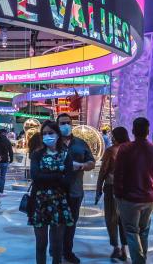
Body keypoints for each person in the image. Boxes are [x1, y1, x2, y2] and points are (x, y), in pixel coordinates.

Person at [114, 117, 153, 264]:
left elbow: (118, 174)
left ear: (133, 130)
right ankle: (141, 259)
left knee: (131, 232)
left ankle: (139, 261)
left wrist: (118, 194)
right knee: (143, 231)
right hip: (149, 198)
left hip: (129, 198)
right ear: (148, 131)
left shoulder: (125, 149)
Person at [28, 120, 74, 264]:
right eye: (45, 133)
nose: (47, 136)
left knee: (57, 246)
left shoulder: (66, 154)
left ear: (58, 134)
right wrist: (57, 174)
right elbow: (35, 177)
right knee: (41, 245)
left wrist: (46, 175)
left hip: (59, 202)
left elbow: (68, 180)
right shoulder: (37, 154)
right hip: (39, 202)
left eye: (51, 133)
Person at [57, 113, 95, 264]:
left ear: (71, 124)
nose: (65, 125)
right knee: (57, 222)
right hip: (56, 191)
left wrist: (81, 165)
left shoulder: (81, 143)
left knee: (71, 223)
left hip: (75, 191)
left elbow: (91, 162)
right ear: (57, 125)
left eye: (67, 123)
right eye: (62, 123)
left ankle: (67, 251)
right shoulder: (52, 143)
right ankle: (56, 250)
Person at [96, 127, 130, 261]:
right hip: (128, 189)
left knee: (111, 218)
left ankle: (115, 247)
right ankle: (124, 249)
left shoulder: (111, 151)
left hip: (111, 187)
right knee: (124, 220)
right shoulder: (131, 150)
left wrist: (98, 189)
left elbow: (103, 171)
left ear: (115, 137)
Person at [0, 128, 14, 195]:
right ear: (4, 133)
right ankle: (1, 192)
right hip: (4, 161)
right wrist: (11, 159)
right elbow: (10, 151)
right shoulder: (7, 141)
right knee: (2, 177)